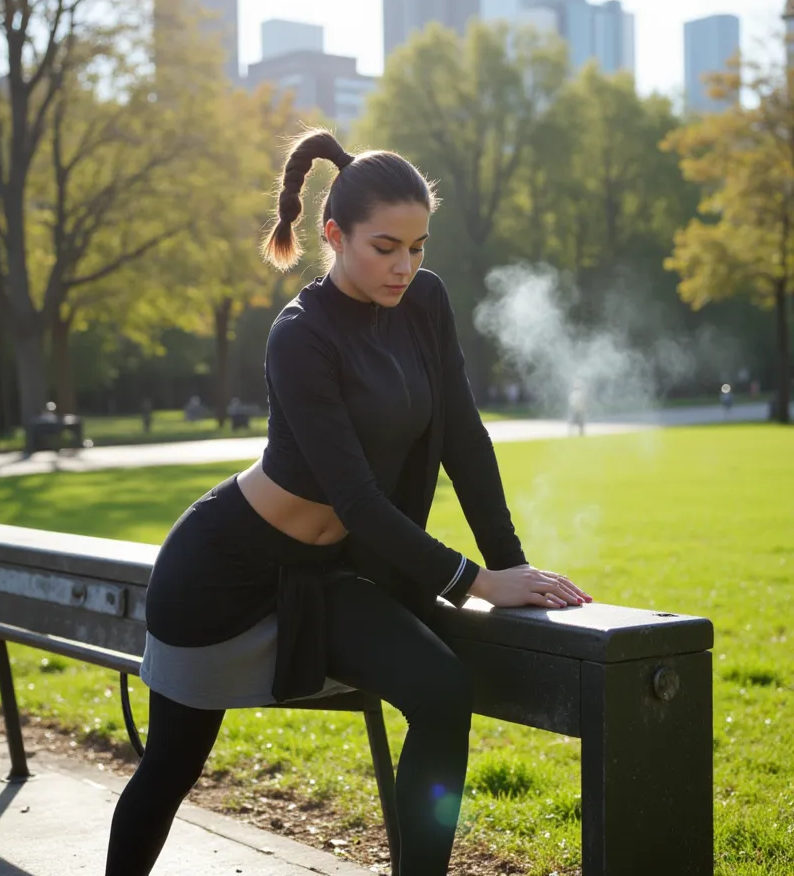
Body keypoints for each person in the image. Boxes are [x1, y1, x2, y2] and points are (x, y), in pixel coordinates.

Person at [105, 130, 592, 876]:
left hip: (323, 577)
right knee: (173, 766)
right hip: (218, 577)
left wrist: (514, 569)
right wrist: (474, 581)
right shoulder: (299, 337)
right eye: (385, 247)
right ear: (334, 236)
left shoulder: (425, 302)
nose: (405, 267)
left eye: (419, 247)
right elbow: (357, 499)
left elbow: (463, 436)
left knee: (441, 692)